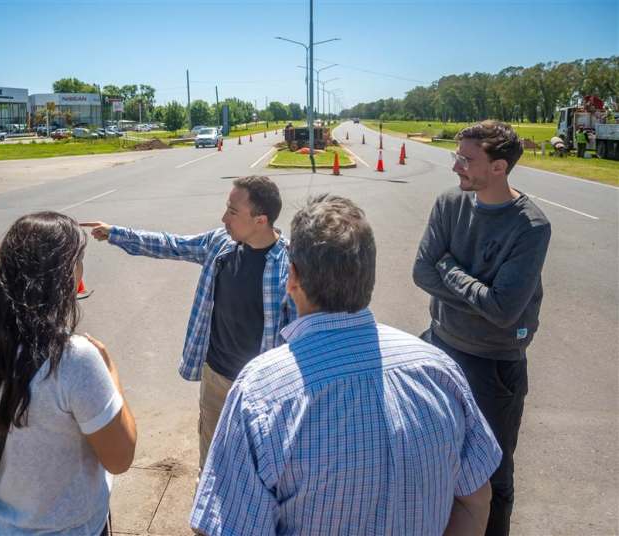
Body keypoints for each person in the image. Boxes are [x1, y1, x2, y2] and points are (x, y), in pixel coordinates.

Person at [191, 194, 502, 535]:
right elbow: (475, 500)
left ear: (292, 279)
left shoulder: (261, 391)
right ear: (369, 277)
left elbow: (225, 527)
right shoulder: (438, 369)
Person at [82, 175, 294, 469]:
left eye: (233, 212)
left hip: (263, 388)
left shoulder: (289, 267)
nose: (224, 219)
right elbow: (171, 245)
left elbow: (299, 339)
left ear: (261, 220)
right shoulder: (220, 245)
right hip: (216, 380)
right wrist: (116, 233)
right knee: (212, 460)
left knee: (260, 462)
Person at [0, 212, 136, 535]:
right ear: (67, 274)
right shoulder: (75, 359)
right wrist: (112, 373)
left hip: (0, 524)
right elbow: (120, 458)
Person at [413, 120, 551, 536]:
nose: (456, 166)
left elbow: (505, 309)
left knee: (492, 472)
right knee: (433, 457)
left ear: (499, 167)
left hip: (494, 366)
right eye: (457, 156)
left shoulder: (529, 226)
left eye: (467, 159)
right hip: (440, 348)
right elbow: (422, 271)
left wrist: (451, 268)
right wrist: (480, 296)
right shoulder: (449, 204)